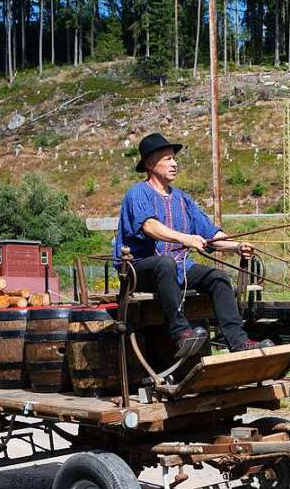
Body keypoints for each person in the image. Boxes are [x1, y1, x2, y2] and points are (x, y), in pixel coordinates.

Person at [114, 133, 273, 358]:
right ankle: (181, 334)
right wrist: (186, 239)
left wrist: (235, 246)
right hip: (139, 270)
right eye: (167, 159)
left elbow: (209, 233)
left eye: (174, 158)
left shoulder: (183, 199)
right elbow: (149, 226)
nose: (174, 163)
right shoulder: (137, 193)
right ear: (150, 164)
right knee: (165, 264)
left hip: (178, 267)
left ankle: (238, 341)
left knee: (218, 278)